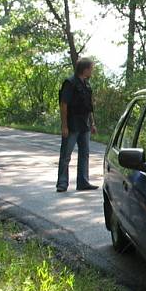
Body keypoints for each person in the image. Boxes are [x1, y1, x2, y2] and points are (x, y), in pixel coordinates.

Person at [56, 57, 98, 192]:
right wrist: (64, 125)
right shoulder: (70, 83)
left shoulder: (87, 85)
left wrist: (92, 123)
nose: (92, 71)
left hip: (84, 125)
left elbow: (89, 107)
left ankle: (83, 182)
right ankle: (62, 183)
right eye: (91, 69)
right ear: (85, 69)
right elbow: (64, 104)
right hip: (72, 123)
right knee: (66, 155)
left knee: (84, 154)